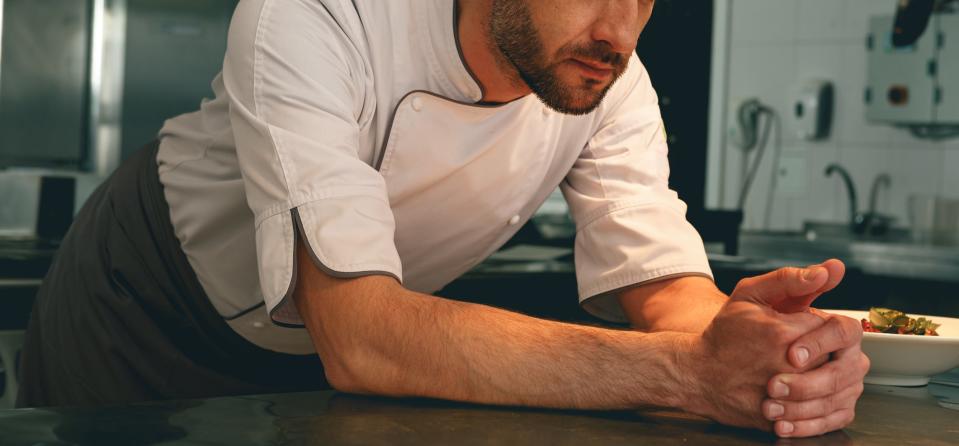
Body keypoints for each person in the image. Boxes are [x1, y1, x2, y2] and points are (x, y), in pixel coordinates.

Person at [17, 0, 868, 438]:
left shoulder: (610, 78)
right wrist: (686, 376)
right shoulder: (321, 16)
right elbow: (363, 334)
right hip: (139, 304)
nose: (618, 29)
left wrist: (765, 353)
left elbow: (664, 286)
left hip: (316, 356)